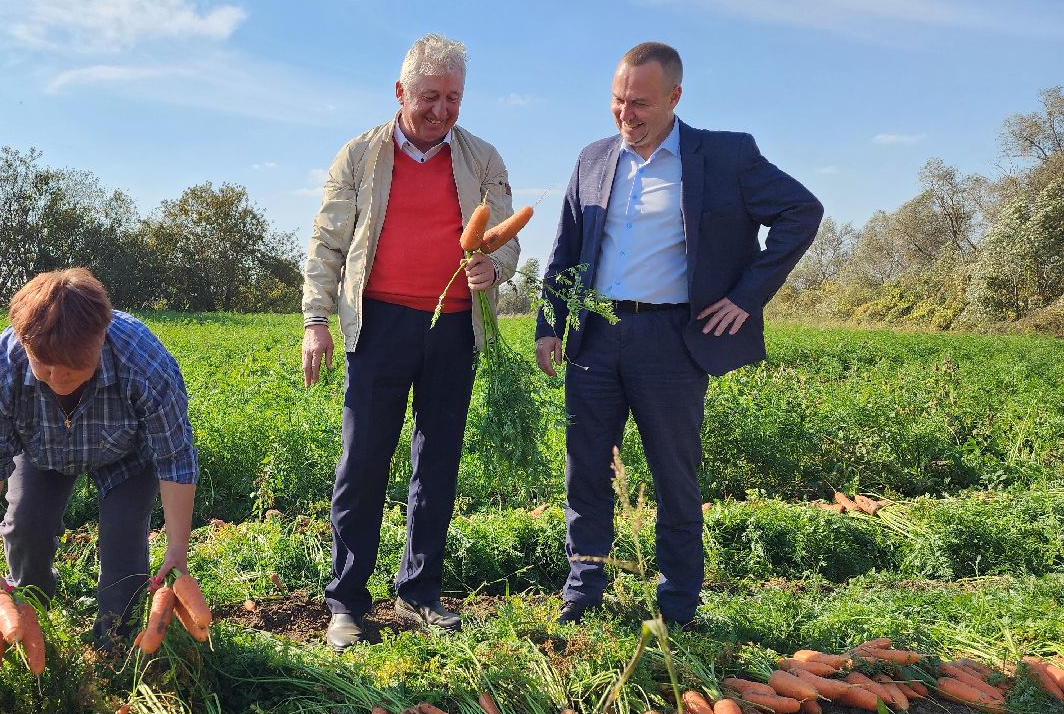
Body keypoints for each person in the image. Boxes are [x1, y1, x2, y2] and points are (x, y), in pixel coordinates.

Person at [536, 42, 821, 629]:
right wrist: (550, 324)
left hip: (670, 340)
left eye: (640, 103)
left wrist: (746, 297)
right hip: (596, 337)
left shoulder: (724, 155)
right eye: (617, 100)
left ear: (675, 98)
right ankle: (584, 588)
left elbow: (802, 211)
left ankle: (678, 604)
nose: (626, 115)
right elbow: (564, 248)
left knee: (673, 472)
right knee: (586, 468)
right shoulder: (592, 159)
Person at [302, 33, 520, 651]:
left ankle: (419, 591)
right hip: (378, 326)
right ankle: (347, 600)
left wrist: (495, 266)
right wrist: (315, 320)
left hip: (454, 327)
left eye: (453, 98)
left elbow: (506, 237)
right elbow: (327, 243)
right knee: (362, 462)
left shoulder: (482, 159)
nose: (442, 110)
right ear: (400, 92)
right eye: (430, 96)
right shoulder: (360, 156)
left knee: (438, 463)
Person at [0, 267, 198, 646]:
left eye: (73, 367)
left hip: (127, 456)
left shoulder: (145, 364)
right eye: (45, 365)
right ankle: (32, 621)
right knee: (26, 528)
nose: (58, 377)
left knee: (123, 545)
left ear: (101, 338)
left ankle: (115, 643)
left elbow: (175, 460)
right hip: (42, 453)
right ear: (23, 341)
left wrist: (177, 550)